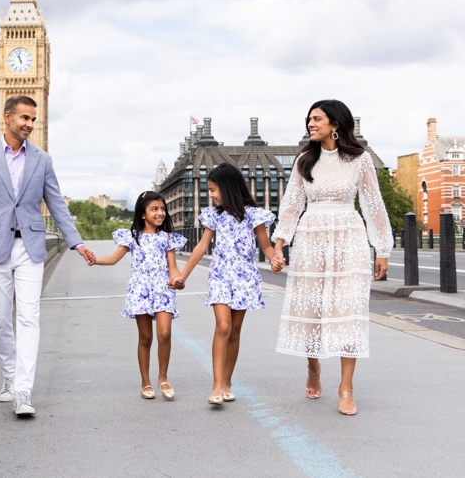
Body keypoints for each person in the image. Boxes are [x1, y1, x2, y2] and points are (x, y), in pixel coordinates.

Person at [0, 95, 95, 417]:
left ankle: (23, 389)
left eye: (33, 120)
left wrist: (76, 243)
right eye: (24, 118)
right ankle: (9, 374)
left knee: (28, 317)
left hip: (31, 246)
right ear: (7, 117)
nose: (29, 124)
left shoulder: (42, 160)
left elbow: (57, 204)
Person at [272, 99, 391, 416]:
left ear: (335, 124)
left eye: (317, 119)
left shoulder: (360, 160)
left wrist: (382, 249)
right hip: (311, 237)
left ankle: (346, 387)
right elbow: (291, 205)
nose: (311, 124)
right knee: (310, 308)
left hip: (349, 237)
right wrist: (279, 244)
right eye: (309, 119)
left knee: (347, 309)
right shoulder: (303, 161)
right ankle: (313, 367)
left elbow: (372, 204)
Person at [172, 163, 280, 405]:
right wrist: (183, 275)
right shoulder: (214, 215)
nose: (211, 195)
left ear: (228, 187)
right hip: (221, 274)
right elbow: (201, 246)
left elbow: (266, 246)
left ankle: (228, 381)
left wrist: (276, 258)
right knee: (223, 326)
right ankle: (216, 384)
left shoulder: (254, 215)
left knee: (235, 331)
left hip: (245, 277)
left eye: (213, 189)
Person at [90, 191, 186, 400]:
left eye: (162, 209)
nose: (160, 213)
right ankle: (146, 382)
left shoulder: (167, 238)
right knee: (145, 337)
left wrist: (179, 280)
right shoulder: (133, 236)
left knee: (165, 332)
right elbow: (114, 258)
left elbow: (173, 267)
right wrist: (95, 260)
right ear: (143, 214)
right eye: (154, 209)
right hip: (140, 289)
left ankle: (163, 377)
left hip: (162, 288)